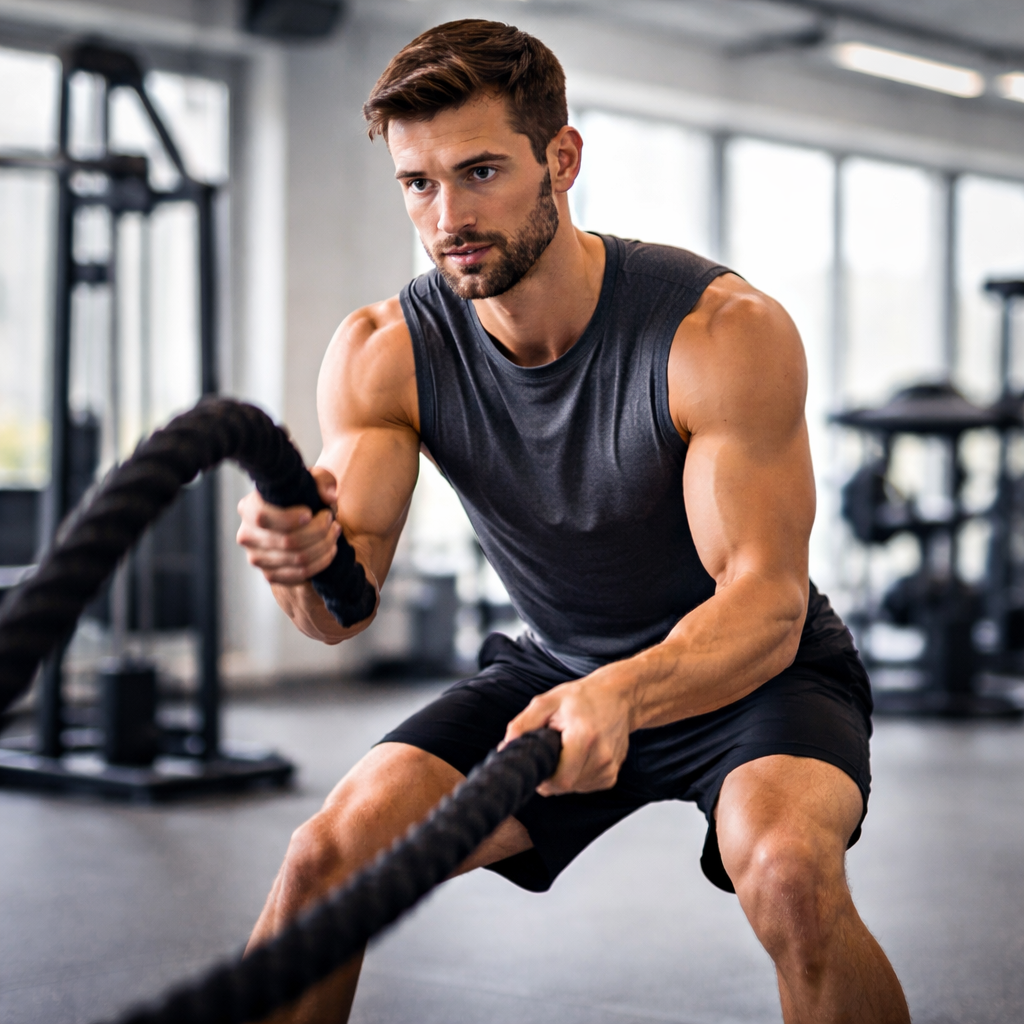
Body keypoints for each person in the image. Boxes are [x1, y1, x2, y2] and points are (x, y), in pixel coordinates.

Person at [235, 18, 910, 1024]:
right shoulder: (383, 350)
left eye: (480, 172)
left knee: (788, 877)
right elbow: (342, 615)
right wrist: (301, 565)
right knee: (325, 863)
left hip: (751, 673)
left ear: (562, 158)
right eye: (417, 183)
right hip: (555, 670)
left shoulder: (717, 332)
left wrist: (625, 694)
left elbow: (763, 603)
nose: (447, 215)